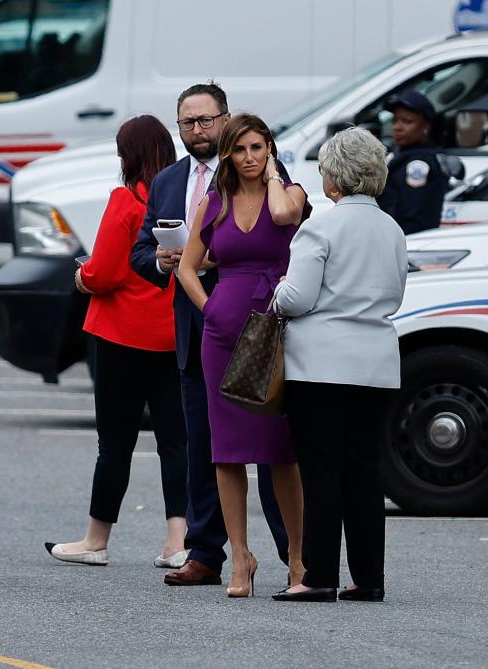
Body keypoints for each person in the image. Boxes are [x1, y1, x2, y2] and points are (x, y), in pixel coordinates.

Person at [130, 83, 290, 587]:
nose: (197, 131)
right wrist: (161, 260)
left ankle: (295, 554)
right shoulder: (168, 182)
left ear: (225, 119)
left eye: (206, 120)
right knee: (205, 442)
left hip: (259, 323)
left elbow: (289, 229)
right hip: (200, 329)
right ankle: (206, 552)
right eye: (187, 123)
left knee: (270, 441)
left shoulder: (261, 170)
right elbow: (140, 252)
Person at [272, 127, 407, 603]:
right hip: (376, 363)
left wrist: (278, 289)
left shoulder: (321, 226)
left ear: (335, 178)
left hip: (321, 364)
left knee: (321, 473)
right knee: (365, 473)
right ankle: (368, 578)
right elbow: (395, 293)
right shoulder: (392, 228)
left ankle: (318, 575)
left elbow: (297, 297)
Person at [45, 115, 187, 568]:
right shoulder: (184, 201)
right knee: (175, 442)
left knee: (115, 443)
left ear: (130, 155)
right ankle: (176, 541)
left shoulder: (125, 201)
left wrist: (81, 277)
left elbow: (103, 271)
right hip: (171, 336)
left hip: (121, 336)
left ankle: (96, 540)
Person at [177, 114, 309, 597]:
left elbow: (280, 217)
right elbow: (188, 268)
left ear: (270, 149)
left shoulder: (291, 195)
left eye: (258, 148)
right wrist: (210, 308)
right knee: (226, 452)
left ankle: (297, 559)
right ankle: (240, 559)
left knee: (280, 451)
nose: (249, 157)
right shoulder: (214, 203)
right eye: (241, 150)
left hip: (274, 332)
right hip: (222, 332)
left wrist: (275, 175)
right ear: (228, 156)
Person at [376, 89, 448, 235]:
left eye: (407, 121)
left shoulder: (418, 163)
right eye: (395, 120)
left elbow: (412, 217)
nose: (397, 127)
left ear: (425, 126)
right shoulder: (402, 156)